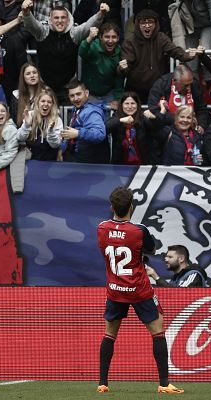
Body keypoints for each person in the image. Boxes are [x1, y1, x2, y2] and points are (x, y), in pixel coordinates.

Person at [96, 186, 184, 394]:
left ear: (112, 207)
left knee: (109, 334)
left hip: (115, 289)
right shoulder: (139, 230)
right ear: (131, 207)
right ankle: (164, 384)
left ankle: (102, 384)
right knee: (158, 330)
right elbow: (151, 250)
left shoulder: (101, 228)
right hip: (139, 289)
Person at [21, 0, 108, 103]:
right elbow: (31, 25)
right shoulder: (43, 31)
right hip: (45, 87)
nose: (60, 21)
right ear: (50, 20)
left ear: (68, 20)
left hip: (68, 87)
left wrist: (101, 14)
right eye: (56, 18)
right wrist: (26, 11)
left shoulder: (74, 33)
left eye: (63, 18)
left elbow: (87, 26)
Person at [120, 9, 196, 102]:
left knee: (157, 114)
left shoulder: (161, 38)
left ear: (156, 24)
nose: (147, 26)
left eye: (150, 22)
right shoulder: (130, 41)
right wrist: (122, 68)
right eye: (143, 23)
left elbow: (174, 51)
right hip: (135, 88)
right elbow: (126, 63)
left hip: (157, 87)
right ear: (137, 25)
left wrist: (188, 55)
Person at [147, 63, 208, 134]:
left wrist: (201, 125)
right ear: (175, 81)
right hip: (167, 130)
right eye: (186, 85)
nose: (189, 88)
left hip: (191, 130)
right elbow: (154, 110)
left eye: (190, 84)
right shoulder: (161, 84)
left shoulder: (194, 84)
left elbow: (202, 109)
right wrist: (180, 119)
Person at [106, 91, 164, 165]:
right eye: (126, 103)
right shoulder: (116, 117)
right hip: (121, 164)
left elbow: (156, 127)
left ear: (137, 105)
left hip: (143, 163)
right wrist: (119, 120)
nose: (130, 107)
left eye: (133, 103)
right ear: (122, 105)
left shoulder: (143, 117)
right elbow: (105, 129)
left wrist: (153, 118)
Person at [60, 80, 109, 163]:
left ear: (86, 93)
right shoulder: (76, 108)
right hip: (79, 157)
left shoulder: (91, 111)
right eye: (72, 95)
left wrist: (78, 133)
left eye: (78, 94)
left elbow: (100, 133)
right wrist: (61, 149)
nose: (75, 98)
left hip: (90, 163)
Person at [78, 23, 124, 111]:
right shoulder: (93, 47)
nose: (110, 41)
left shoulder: (119, 53)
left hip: (108, 94)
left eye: (113, 37)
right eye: (107, 37)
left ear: (118, 38)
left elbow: (119, 79)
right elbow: (82, 52)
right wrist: (90, 38)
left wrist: (117, 99)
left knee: (109, 122)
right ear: (101, 37)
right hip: (90, 93)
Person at [16, 88, 63, 161]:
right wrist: (26, 125)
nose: (46, 104)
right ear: (37, 103)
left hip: (50, 161)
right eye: (43, 101)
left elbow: (55, 145)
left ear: (52, 105)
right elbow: (20, 138)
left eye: (49, 102)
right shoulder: (30, 115)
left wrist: (50, 132)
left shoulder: (57, 120)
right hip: (31, 160)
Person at [10, 62, 48, 128]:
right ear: (23, 78)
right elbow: (14, 120)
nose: (32, 75)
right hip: (22, 134)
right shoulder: (16, 95)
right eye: (28, 74)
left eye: (34, 73)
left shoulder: (46, 93)